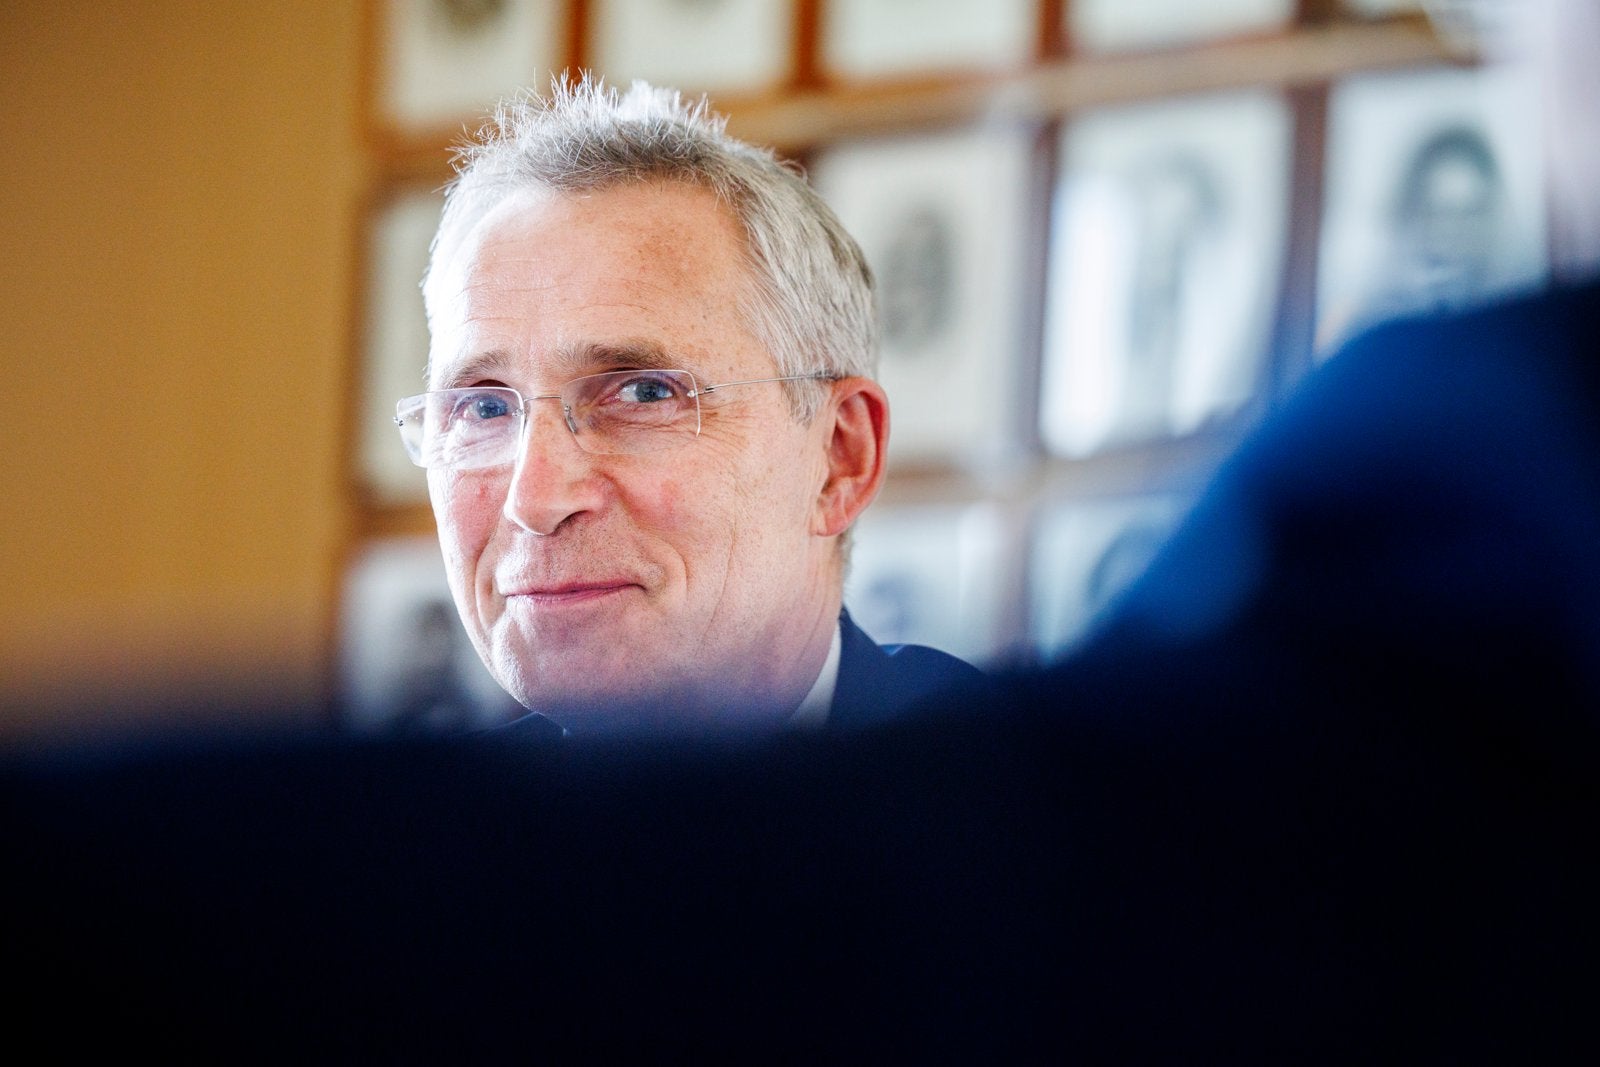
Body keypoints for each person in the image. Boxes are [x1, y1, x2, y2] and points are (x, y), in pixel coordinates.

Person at [396, 77, 981, 736]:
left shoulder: (1024, 778)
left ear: (839, 458)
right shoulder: (432, 803)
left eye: (643, 393)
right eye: (482, 409)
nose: (534, 500)